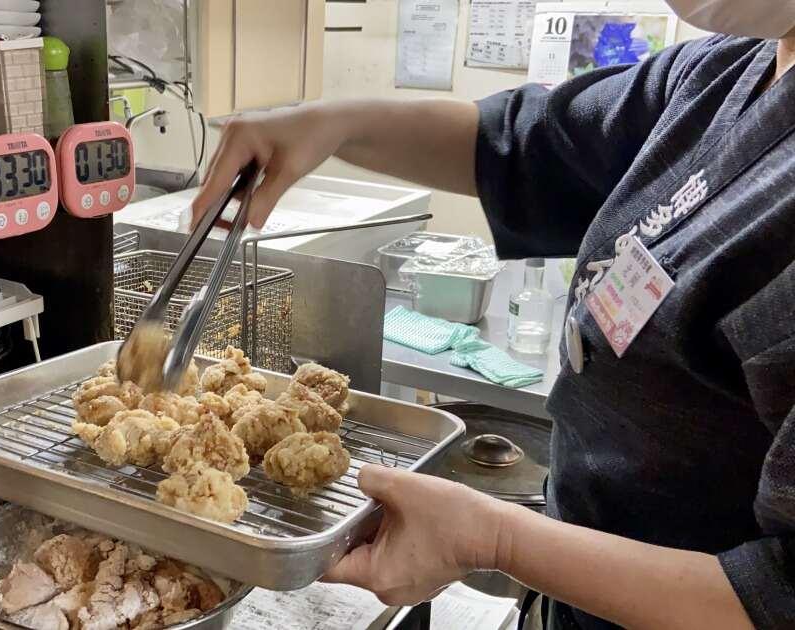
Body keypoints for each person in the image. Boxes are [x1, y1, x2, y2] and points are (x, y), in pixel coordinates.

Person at [194, 0, 795, 627]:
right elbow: (519, 143)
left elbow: (778, 599)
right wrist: (331, 123)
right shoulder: (725, 74)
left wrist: (495, 541)